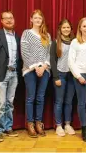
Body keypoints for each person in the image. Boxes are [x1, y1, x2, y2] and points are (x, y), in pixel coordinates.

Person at [0, 11, 20, 142]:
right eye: (6, 18)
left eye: (11, 18)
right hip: (1, 74)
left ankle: (8, 127)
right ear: (1, 21)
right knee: (0, 104)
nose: (9, 20)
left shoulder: (16, 36)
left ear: (14, 20)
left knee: (9, 103)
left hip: (14, 74)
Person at [21, 9, 51, 138]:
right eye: (36, 18)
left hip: (44, 69)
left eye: (40, 18)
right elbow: (25, 52)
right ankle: (30, 124)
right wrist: (35, 67)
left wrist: (43, 66)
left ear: (42, 20)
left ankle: (39, 122)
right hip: (30, 70)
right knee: (31, 97)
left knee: (40, 97)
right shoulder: (26, 33)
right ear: (31, 19)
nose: (38, 20)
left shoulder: (47, 36)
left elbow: (49, 53)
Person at [50, 19, 76, 137]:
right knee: (59, 101)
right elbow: (52, 61)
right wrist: (56, 77)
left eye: (68, 27)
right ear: (60, 29)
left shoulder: (75, 42)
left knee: (69, 101)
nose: (66, 29)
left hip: (72, 75)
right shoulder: (55, 42)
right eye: (64, 28)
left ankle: (67, 124)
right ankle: (59, 125)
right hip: (60, 74)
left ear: (71, 29)